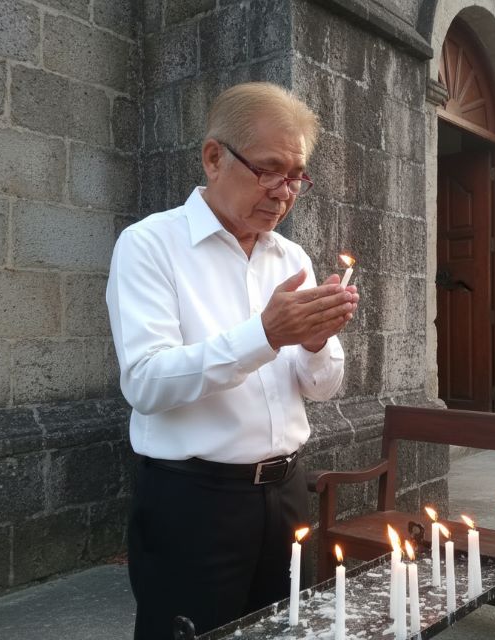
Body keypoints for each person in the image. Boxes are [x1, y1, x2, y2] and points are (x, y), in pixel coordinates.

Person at [106, 82, 358, 640]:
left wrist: (316, 342)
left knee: (286, 629)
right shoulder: (150, 245)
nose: (284, 192)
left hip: (288, 493)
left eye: (296, 176)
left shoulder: (290, 256)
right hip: (194, 502)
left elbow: (322, 388)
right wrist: (265, 334)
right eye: (269, 170)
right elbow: (146, 382)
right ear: (214, 157)